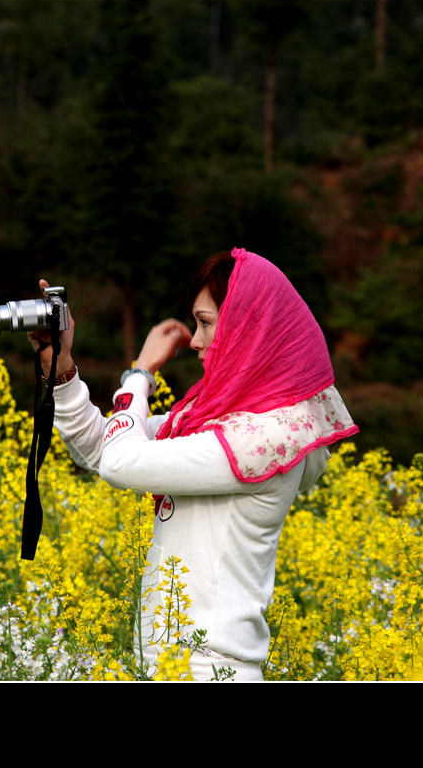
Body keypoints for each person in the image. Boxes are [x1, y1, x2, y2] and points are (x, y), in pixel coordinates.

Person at [29, 248, 358, 680]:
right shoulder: (213, 422)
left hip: (210, 669)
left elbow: (120, 461)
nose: (197, 341)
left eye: (206, 323)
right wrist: (62, 367)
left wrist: (140, 374)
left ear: (249, 329)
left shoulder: (263, 438)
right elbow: (101, 449)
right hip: (170, 666)